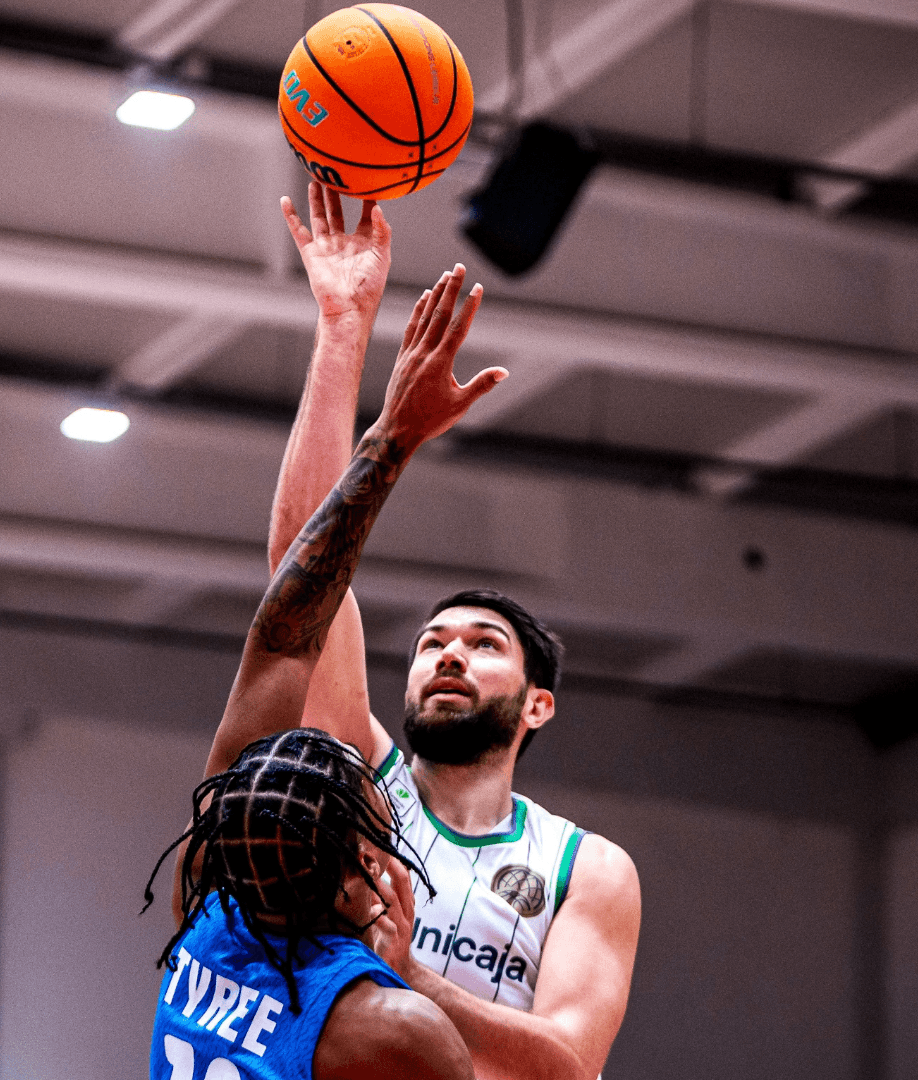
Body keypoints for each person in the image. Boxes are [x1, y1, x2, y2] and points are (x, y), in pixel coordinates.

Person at [264, 183, 641, 1080]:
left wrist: (411, 978)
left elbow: (570, 1062)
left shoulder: (585, 867)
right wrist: (342, 330)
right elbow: (299, 568)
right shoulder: (366, 789)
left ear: (538, 705)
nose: (448, 654)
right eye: (432, 642)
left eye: (483, 644)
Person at [145, 261, 505, 1080]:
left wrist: (379, 405)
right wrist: (404, 976)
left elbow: (285, 636)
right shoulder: (392, 1028)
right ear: (366, 863)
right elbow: (284, 632)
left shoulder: (205, 907)